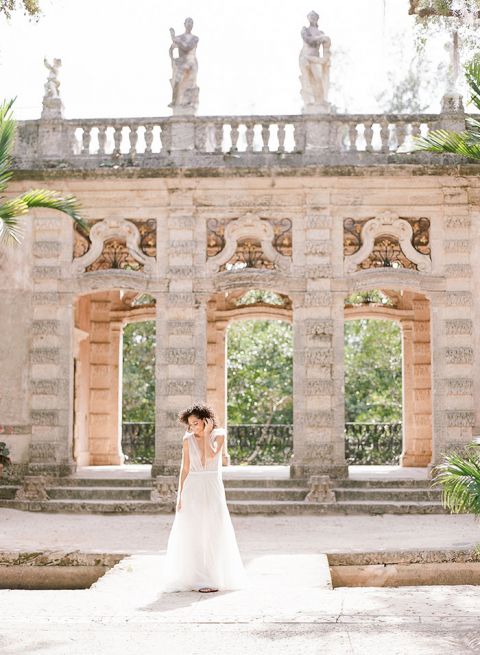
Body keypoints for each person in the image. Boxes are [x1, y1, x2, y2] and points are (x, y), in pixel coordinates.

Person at [161, 403, 247, 593]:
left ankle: (212, 578)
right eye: (190, 424)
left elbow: (208, 458)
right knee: (193, 531)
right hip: (193, 487)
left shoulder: (219, 435)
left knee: (213, 530)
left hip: (211, 486)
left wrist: (207, 434)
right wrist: (180, 495)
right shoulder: (187, 439)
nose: (193, 428)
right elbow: (185, 468)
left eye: (196, 423)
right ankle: (194, 578)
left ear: (206, 421)